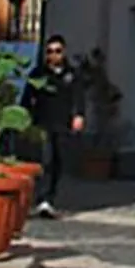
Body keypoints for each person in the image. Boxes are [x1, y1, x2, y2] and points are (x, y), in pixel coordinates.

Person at [26, 35, 86, 217]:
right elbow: (28, 97)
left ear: (64, 52)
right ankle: (42, 199)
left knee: (58, 161)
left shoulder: (72, 74)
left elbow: (78, 96)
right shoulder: (39, 73)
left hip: (62, 122)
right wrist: (25, 117)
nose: (54, 55)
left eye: (57, 51)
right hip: (43, 121)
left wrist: (79, 115)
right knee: (46, 159)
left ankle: (50, 198)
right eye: (50, 51)